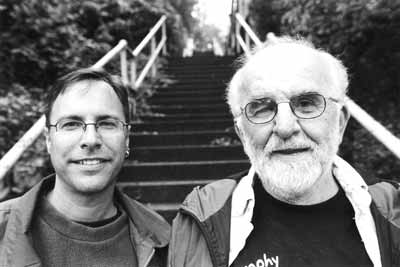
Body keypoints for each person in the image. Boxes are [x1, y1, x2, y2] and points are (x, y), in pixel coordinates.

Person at [168, 36, 400, 267]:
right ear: (241, 133)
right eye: (262, 108)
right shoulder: (203, 218)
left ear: (340, 123)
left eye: (307, 103)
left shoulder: (391, 213)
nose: (285, 127)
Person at [0, 68, 170, 266]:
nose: (90, 140)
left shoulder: (164, 242)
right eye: (71, 124)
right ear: (48, 140)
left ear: (127, 139)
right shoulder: (3, 230)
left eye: (107, 123)